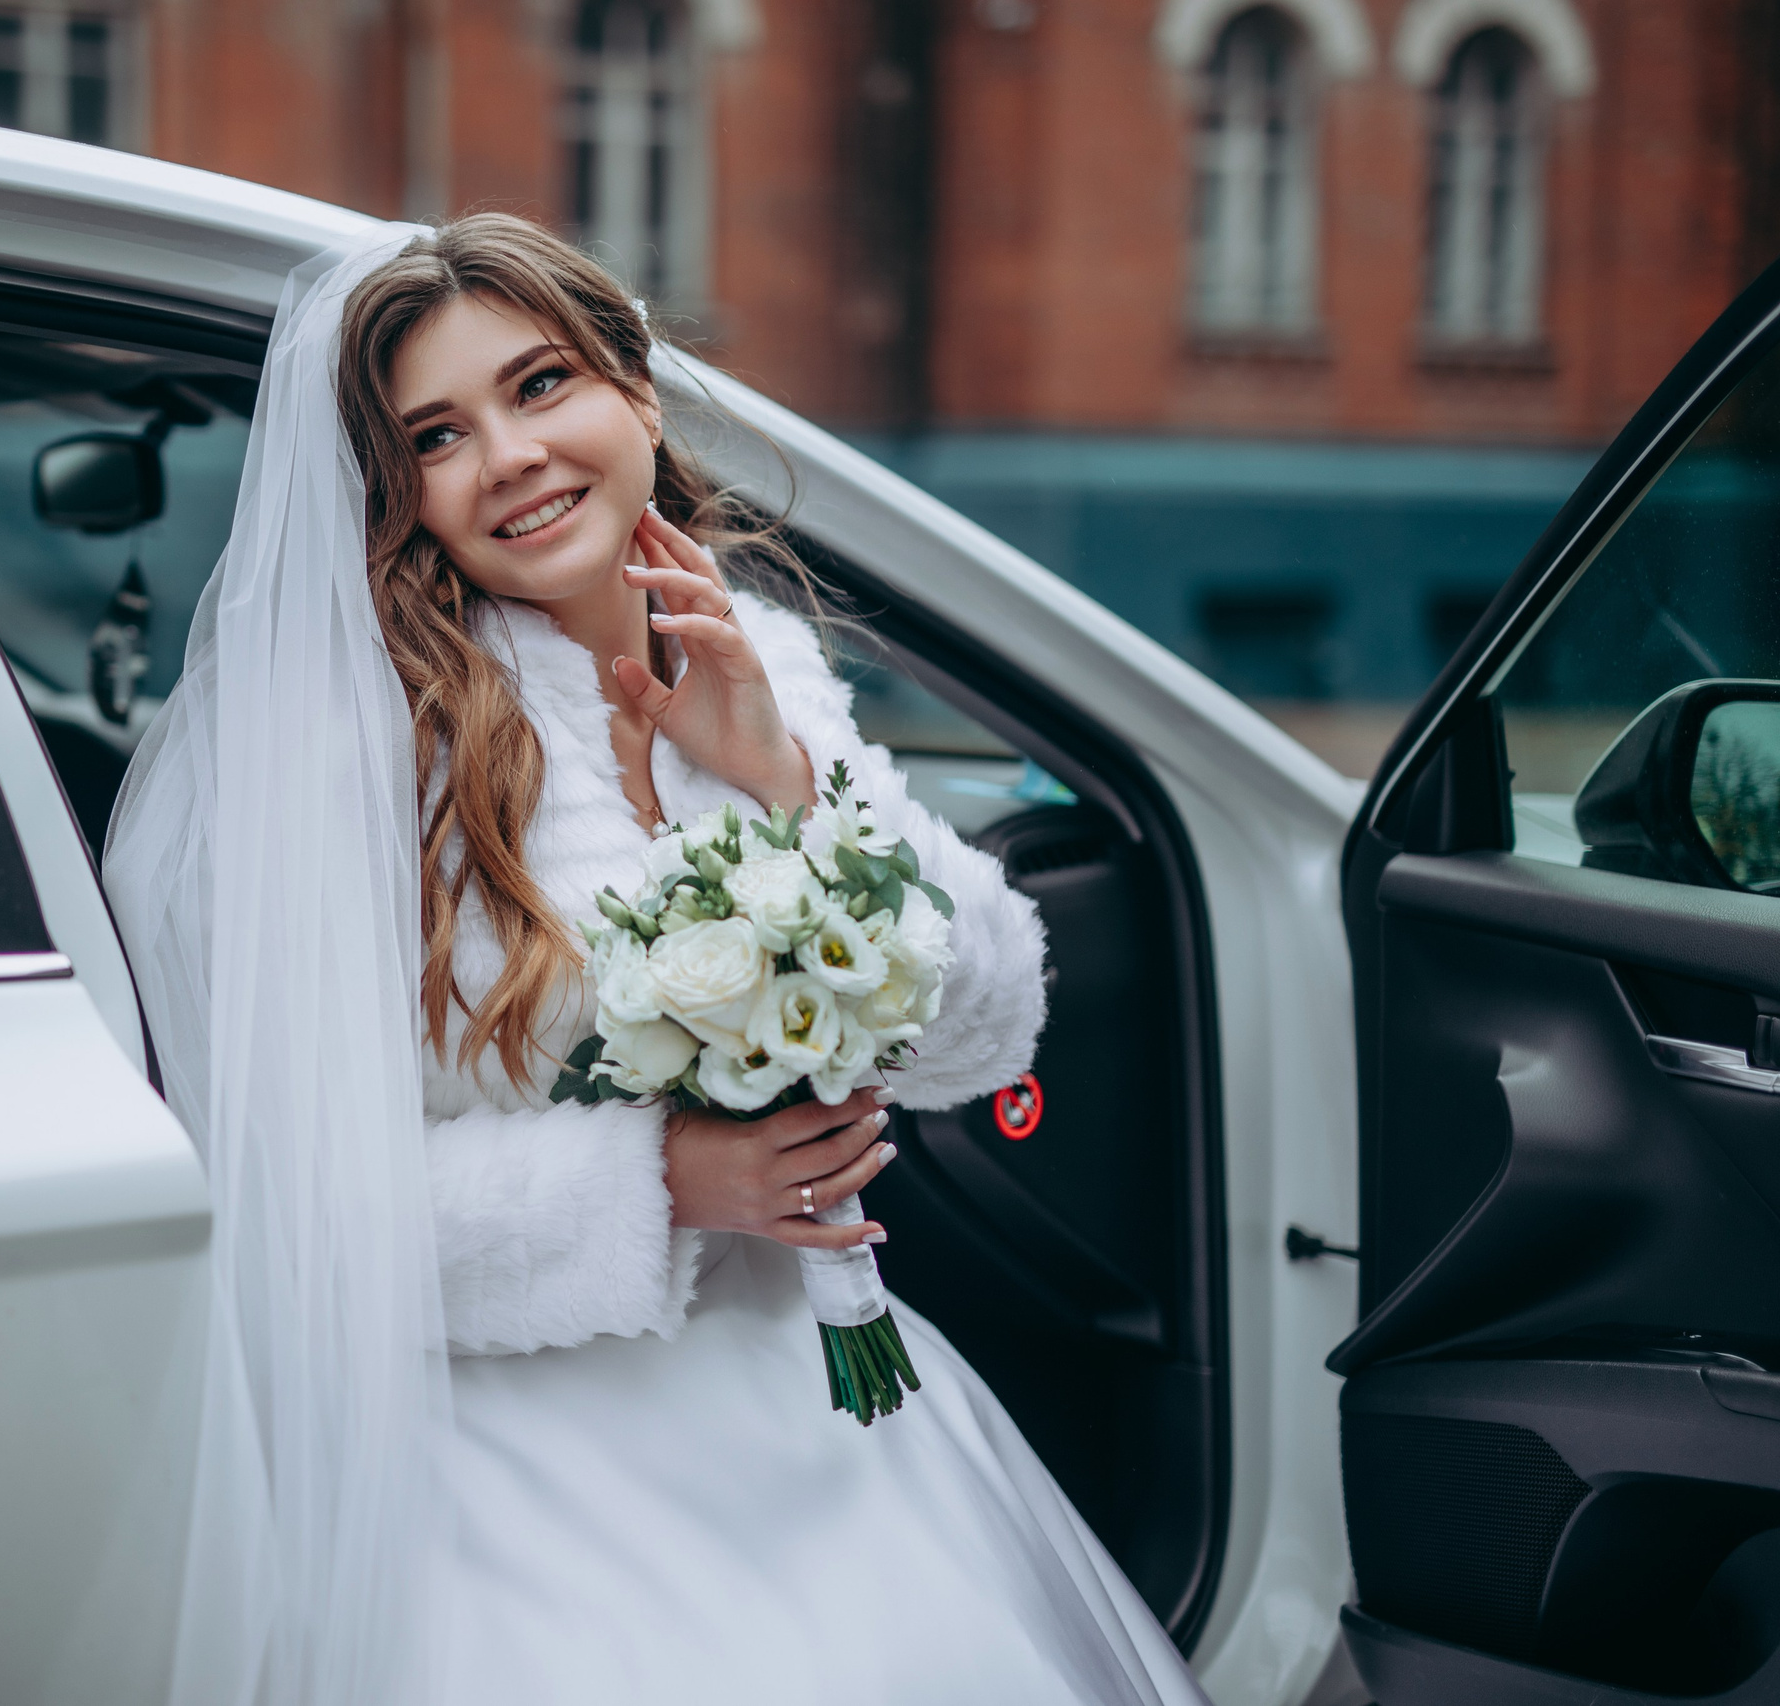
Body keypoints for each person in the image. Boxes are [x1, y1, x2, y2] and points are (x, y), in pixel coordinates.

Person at [103, 215, 1208, 1706]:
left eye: (541, 384)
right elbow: (284, 1209)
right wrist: (658, 1182)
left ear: (635, 390)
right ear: (396, 494)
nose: (507, 456)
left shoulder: (749, 652)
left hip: (826, 1414)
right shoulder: (340, 753)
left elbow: (977, 1031)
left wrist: (786, 784)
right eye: (438, 434)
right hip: (510, 1470)